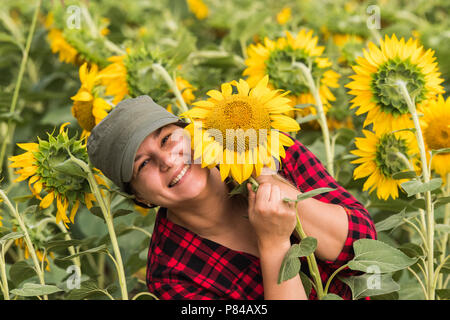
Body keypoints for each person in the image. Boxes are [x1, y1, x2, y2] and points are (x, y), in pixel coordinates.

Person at [87, 95, 377, 300]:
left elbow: (365, 247)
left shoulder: (269, 147)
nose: (167, 159)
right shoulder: (172, 274)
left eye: (167, 138)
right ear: (140, 197)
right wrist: (274, 243)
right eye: (143, 164)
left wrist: (262, 173)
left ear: (191, 131)